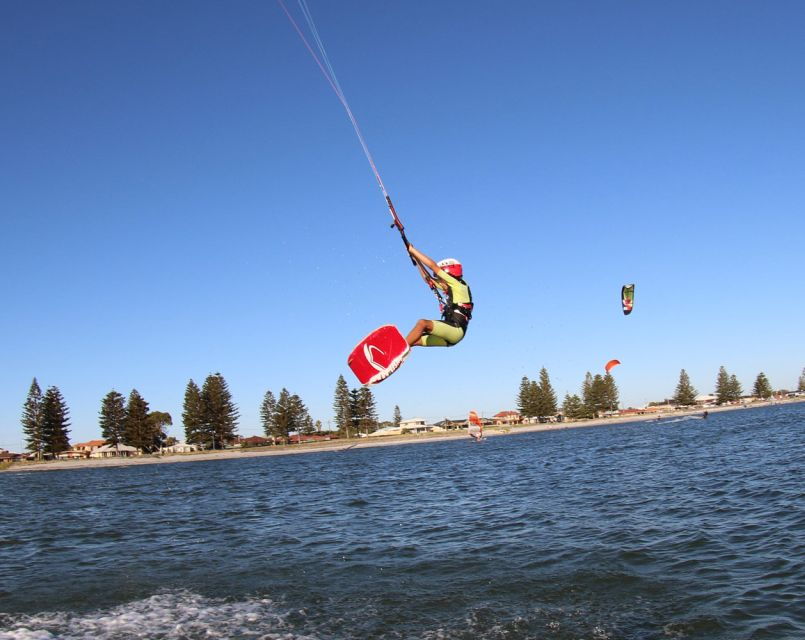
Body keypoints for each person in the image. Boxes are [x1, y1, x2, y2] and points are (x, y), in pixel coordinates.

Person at [405, 244, 473, 347]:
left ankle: (396, 351)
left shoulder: (458, 285)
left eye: (440, 278)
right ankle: (394, 359)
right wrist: (416, 259)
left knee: (422, 323)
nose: (439, 281)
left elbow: (433, 266)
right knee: (414, 339)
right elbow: (428, 279)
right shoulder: (453, 288)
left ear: (448, 273)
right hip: (450, 335)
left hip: (456, 329)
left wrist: (413, 250)